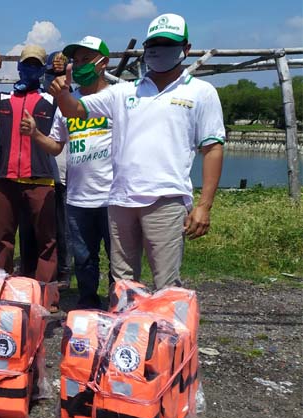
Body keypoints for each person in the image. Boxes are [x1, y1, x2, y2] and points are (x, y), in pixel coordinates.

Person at [50, 14, 225, 289]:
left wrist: (204, 206)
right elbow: (75, 110)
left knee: (166, 283)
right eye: (153, 43)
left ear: (186, 49)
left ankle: (168, 330)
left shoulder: (201, 92)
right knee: (124, 283)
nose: (159, 50)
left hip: (166, 200)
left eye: (168, 43)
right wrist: (62, 94)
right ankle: (128, 328)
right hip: (120, 201)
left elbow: (213, 147)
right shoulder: (124, 92)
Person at [30, 37, 115, 310]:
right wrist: (34, 133)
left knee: (119, 259)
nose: (79, 66)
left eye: (86, 60)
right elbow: (56, 147)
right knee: (84, 258)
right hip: (78, 197)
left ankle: (119, 306)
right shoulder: (68, 102)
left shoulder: (117, 97)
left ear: (103, 63)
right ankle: (88, 304)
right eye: (75, 60)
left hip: (113, 196)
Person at [0, 45, 59, 300]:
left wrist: (60, 72)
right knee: (3, 238)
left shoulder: (51, 100)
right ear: (19, 66)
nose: (31, 69)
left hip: (41, 180)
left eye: (37, 65)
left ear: (43, 68)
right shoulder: (3, 100)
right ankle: (2, 289)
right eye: (27, 64)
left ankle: (46, 296)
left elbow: (71, 91)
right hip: (7, 180)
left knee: (46, 241)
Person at [46, 51, 74, 290]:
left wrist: (62, 70)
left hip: (67, 177)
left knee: (65, 229)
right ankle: (48, 268)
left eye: (59, 75)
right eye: (50, 75)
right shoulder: (40, 101)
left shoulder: (72, 100)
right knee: (48, 227)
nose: (54, 81)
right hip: (45, 177)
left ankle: (65, 270)